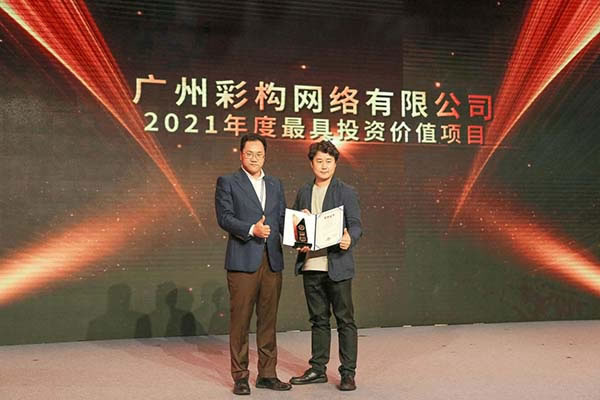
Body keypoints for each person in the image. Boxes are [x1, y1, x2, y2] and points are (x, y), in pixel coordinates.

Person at [215, 134, 292, 395]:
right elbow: (224, 217)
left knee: (268, 321)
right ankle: (240, 376)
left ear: (265, 156)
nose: (254, 158)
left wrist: (300, 227)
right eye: (249, 153)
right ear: (241, 154)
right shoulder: (228, 181)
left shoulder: (275, 183)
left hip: (272, 260)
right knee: (240, 321)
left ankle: (267, 374)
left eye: (259, 154)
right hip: (242, 260)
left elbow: (281, 219)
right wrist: (251, 229)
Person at [289, 140, 362, 391]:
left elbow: (356, 225)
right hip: (311, 266)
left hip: (337, 265)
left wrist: (349, 238)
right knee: (318, 320)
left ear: (335, 164)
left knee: (345, 320)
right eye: (319, 161)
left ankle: (348, 373)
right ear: (311, 163)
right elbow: (296, 227)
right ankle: (317, 369)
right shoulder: (303, 191)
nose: (323, 166)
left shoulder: (346, 191)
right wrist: (299, 242)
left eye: (328, 161)